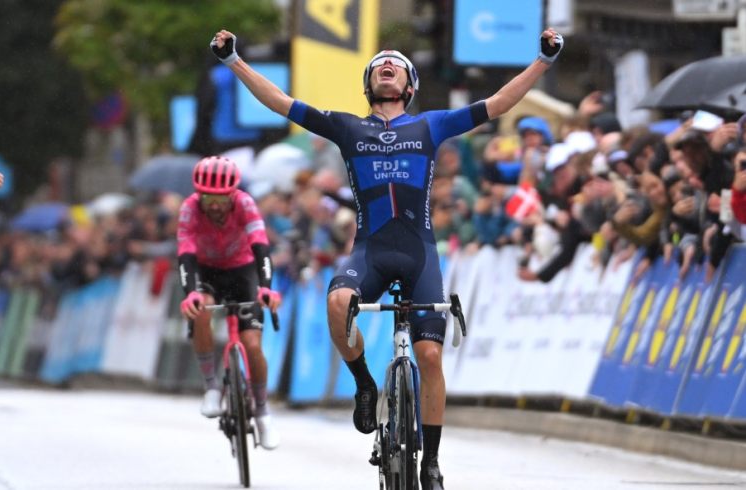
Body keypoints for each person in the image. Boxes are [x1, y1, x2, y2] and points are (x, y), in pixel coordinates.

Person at [210, 27, 563, 489]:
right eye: (379, 65)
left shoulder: (431, 125)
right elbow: (281, 102)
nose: (387, 66)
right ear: (369, 85)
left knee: (429, 357)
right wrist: (234, 61)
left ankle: (431, 462)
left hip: (419, 254)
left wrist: (543, 60)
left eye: (396, 65)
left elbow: (497, 104)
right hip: (370, 252)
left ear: (410, 86)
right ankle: (364, 383)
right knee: (338, 303)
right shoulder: (347, 127)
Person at [177, 156, 282, 450]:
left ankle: (262, 411)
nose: (214, 205)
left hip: (242, 270)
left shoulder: (245, 204)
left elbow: (261, 246)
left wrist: (266, 287)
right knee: (200, 310)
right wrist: (190, 292)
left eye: (221, 199)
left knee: (252, 344)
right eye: (207, 198)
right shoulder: (189, 208)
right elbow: (185, 252)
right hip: (207, 270)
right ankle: (211, 386)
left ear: (233, 194)